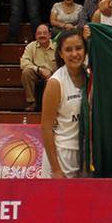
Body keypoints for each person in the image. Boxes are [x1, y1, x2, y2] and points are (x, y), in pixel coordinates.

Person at [41, 29, 86, 178]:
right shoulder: (55, 83)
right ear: (60, 53)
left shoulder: (92, 76)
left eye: (78, 48)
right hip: (62, 154)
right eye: (68, 50)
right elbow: (46, 128)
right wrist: (56, 169)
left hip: (86, 154)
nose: (74, 54)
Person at [20, 24, 57, 111]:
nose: (42, 35)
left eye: (45, 33)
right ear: (36, 36)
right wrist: (39, 69)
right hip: (37, 72)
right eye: (39, 33)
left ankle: (50, 106)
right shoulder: (31, 46)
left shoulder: (57, 46)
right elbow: (24, 62)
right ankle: (32, 102)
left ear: (50, 35)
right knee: (26, 72)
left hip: (54, 74)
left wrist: (53, 74)